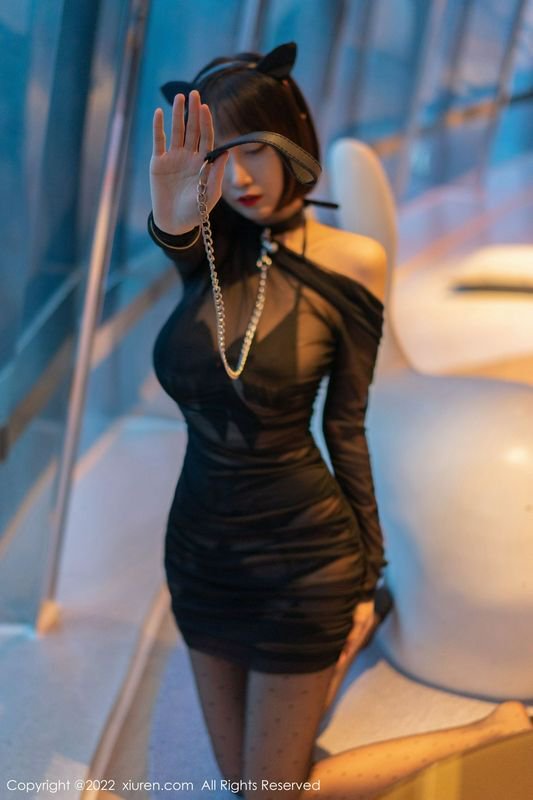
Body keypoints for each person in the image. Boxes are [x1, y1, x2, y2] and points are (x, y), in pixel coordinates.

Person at [148, 42, 532, 800]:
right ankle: (332, 661)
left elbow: (347, 425)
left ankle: (485, 729)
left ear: (294, 140)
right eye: (220, 157)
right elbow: (177, 238)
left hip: (303, 558)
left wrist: (366, 572)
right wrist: (170, 206)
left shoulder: (353, 260)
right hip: (198, 554)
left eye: (255, 148)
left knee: (269, 791)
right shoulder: (211, 256)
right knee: (240, 779)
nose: (241, 177)